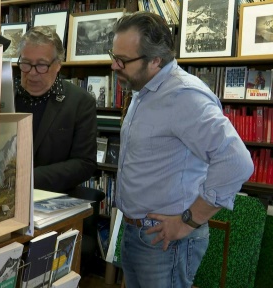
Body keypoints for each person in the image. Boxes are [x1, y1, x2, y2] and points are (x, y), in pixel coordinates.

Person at [110, 12, 254, 287]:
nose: (114, 66)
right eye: (113, 55)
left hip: (165, 243)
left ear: (156, 60)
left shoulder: (184, 95)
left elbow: (237, 162)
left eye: (123, 60)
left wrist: (189, 221)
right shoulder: (143, 88)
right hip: (136, 232)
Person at [14, 25, 97, 193]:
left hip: (53, 196)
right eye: (26, 64)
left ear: (58, 65)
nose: (32, 73)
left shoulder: (80, 102)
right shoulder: (3, 95)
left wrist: (26, 178)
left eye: (41, 65)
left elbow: (84, 163)